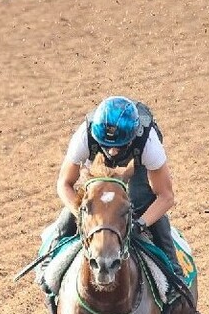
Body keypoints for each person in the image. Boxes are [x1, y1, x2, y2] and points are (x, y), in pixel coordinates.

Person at [51, 95, 186, 289]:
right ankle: (49, 266)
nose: (113, 152)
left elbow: (166, 196)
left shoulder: (148, 143)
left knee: (141, 200)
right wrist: (80, 212)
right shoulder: (84, 136)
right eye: (108, 145)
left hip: (136, 165)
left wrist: (140, 224)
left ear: (132, 137)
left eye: (120, 145)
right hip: (97, 167)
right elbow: (64, 183)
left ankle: (174, 273)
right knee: (73, 214)